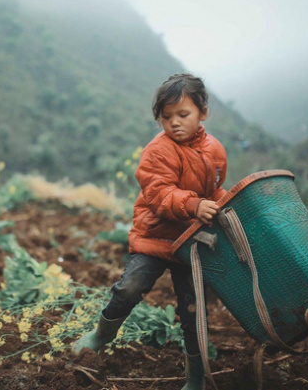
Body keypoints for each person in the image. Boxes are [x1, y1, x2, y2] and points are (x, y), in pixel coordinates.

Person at [72, 74, 227, 390]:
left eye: (183, 115)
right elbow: (158, 194)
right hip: (155, 238)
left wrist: (221, 204)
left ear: (203, 113)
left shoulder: (215, 150)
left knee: (193, 312)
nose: (174, 124)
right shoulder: (158, 150)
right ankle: (102, 334)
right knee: (130, 288)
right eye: (166, 117)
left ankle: (195, 379)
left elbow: (215, 189)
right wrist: (195, 204)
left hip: (191, 243)